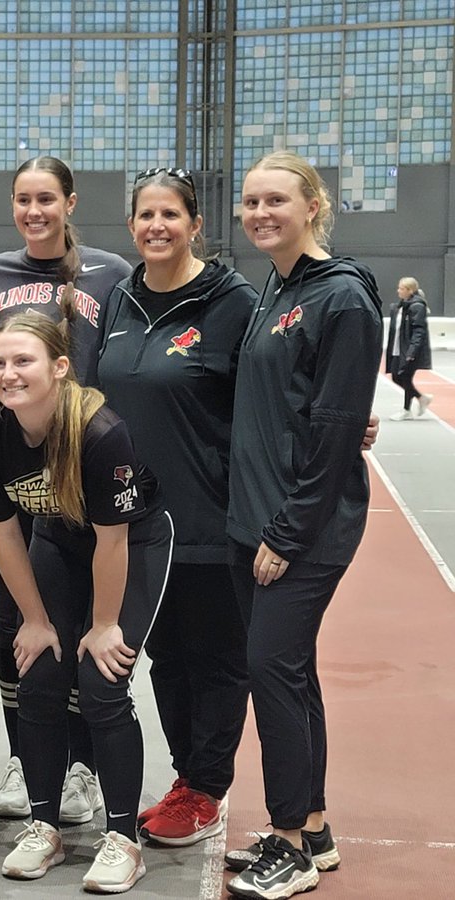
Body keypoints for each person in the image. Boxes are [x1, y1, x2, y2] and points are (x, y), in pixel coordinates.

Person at [0, 308, 173, 892]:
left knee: (102, 683)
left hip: (131, 543)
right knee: (40, 674)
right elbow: (3, 534)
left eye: (23, 361)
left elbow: (113, 541)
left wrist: (104, 624)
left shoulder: (100, 432)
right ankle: (44, 825)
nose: (8, 373)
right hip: (57, 538)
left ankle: (123, 837)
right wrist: (32, 618)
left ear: (59, 368)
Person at [223, 151, 381, 900]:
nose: (260, 212)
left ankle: (286, 842)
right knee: (289, 669)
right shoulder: (276, 289)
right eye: (251, 201)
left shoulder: (342, 297)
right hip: (260, 515)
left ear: (312, 205)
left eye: (276, 200)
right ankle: (312, 825)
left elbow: (337, 425)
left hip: (302, 524)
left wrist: (288, 533)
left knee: (269, 668)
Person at [97, 167, 257, 847]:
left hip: (211, 519)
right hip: (139, 526)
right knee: (163, 657)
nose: (156, 227)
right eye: (144, 216)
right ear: (131, 225)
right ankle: (187, 777)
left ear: (195, 224)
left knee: (215, 657)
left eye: (170, 215)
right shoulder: (120, 298)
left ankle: (205, 787)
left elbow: (274, 391)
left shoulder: (233, 302)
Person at [0, 156, 130, 822]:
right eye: (22, 200)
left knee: (82, 625)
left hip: (77, 467)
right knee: (17, 620)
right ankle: (25, 758)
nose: (34, 211)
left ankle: (82, 769)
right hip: (12, 464)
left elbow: (127, 358)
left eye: (46, 199)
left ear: (70, 202)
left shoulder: (111, 273)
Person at [386, 276, 432, 420]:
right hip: (398, 348)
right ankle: (421, 398)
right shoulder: (401, 306)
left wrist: (412, 351)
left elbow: (419, 331)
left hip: (410, 349)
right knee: (396, 376)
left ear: (409, 290)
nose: (398, 290)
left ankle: (407, 410)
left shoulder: (417, 307)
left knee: (404, 377)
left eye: (401, 288)